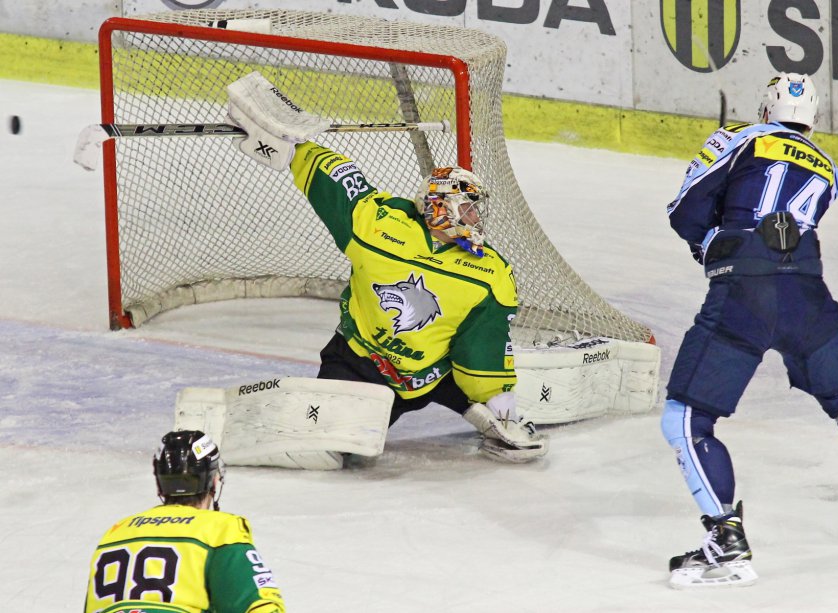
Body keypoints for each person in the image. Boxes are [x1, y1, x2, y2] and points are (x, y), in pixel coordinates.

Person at [660, 73, 838, 587]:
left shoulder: (739, 137)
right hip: (808, 295)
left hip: (745, 295)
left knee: (685, 420)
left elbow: (686, 210)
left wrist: (710, 245)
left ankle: (726, 543)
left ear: (765, 109)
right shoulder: (830, 170)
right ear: (813, 119)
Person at [225, 71, 547, 463]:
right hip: (362, 364)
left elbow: (480, 345)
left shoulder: (489, 272)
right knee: (334, 449)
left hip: (437, 371)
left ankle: (493, 413)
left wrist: (496, 397)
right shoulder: (380, 227)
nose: (476, 219)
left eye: (476, 210)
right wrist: (295, 150)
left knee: (472, 379)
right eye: (467, 209)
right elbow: (341, 185)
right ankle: (323, 427)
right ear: (439, 210)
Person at [84, 430, 286, 612]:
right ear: (213, 481)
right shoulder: (219, 529)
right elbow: (260, 606)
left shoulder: (116, 532)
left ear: (160, 483)